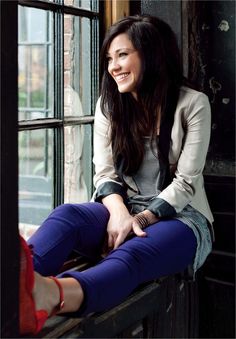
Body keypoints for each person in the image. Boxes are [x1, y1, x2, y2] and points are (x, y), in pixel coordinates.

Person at [19, 14, 214, 335]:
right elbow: (105, 173)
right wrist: (121, 213)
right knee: (67, 215)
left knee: (132, 254)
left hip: (183, 218)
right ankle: (15, 284)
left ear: (152, 54)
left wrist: (140, 221)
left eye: (122, 55)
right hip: (123, 206)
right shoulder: (110, 104)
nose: (113, 66)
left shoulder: (193, 103)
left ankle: (47, 295)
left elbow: (186, 183)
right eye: (109, 58)